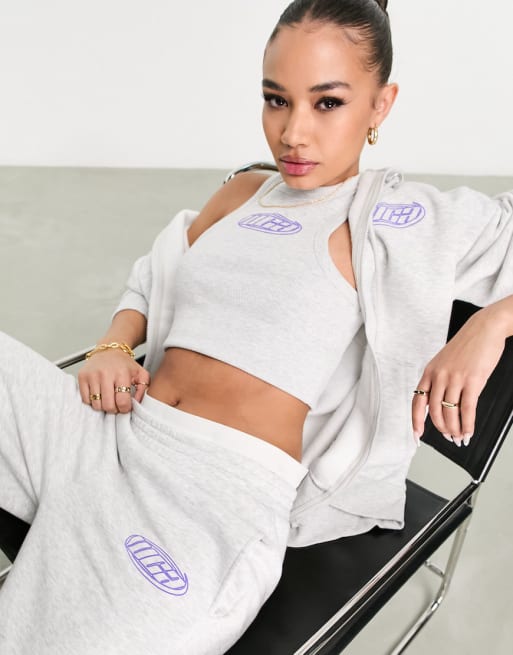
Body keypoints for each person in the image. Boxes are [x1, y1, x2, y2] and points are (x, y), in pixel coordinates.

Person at [1, 1, 512, 653]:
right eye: (276, 100)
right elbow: (155, 278)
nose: (293, 132)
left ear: (380, 106)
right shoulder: (245, 190)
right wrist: (113, 343)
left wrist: (492, 322)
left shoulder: (404, 219)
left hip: (209, 502)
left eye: (327, 103)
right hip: (103, 430)